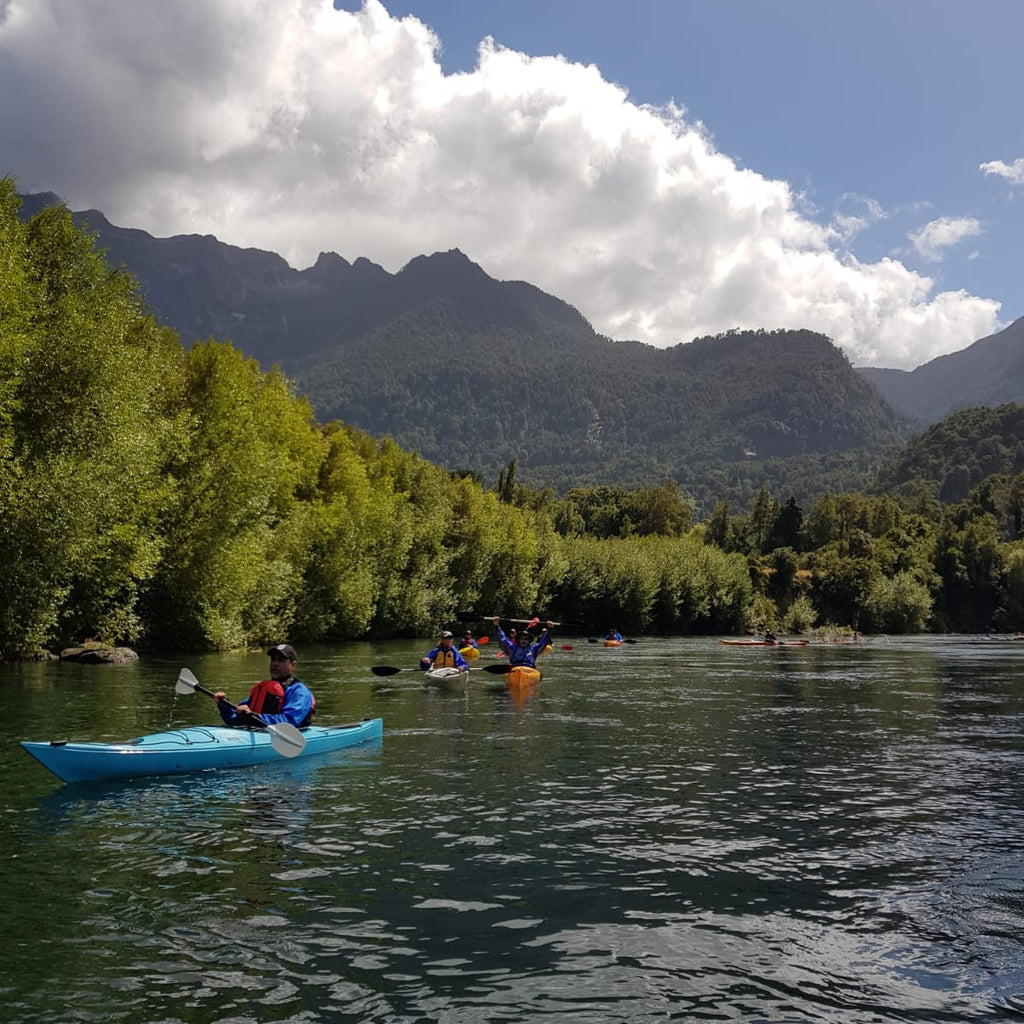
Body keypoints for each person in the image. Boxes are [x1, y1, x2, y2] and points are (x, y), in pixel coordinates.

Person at [212, 643, 315, 729]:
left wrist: (255, 716)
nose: (275, 664)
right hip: (259, 733)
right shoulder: (264, 689)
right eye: (273, 659)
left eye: (281, 660)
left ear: (293, 665)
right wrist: (224, 705)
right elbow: (233, 720)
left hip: (286, 737)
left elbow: (289, 721)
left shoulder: (299, 691)